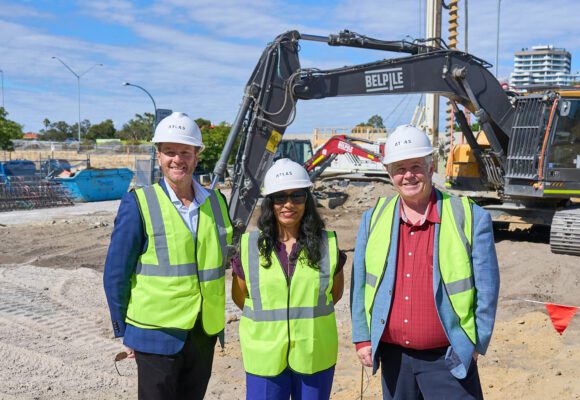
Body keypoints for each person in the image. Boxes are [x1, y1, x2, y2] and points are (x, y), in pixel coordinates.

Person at [350, 125, 500, 399]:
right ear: (390, 174)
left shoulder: (470, 217)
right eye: (399, 168)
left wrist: (477, 342)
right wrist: (362, 337)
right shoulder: (373, 219)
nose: (408, 175)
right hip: (395, 360)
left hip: (450, 358)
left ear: (431, 168)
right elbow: (360, 284)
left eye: (416, 166)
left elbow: (487, 287)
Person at [103, 112, 233, 400]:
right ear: (159, 156)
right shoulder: (139, 203)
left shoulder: (216, 202)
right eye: (170, 152)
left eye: (185, 152)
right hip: (155, 335)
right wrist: (125, 331)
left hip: (202, 332)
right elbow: (115, 273)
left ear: (197, 156)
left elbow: (226, 257)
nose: (178, 159)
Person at [231, 158, 346, 400]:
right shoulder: (250, 247)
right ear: (269, 203)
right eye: (280, 197)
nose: (288, 204)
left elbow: (333, 295)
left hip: (314, 354)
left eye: (297, 196)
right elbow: (240, 297)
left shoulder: (328, 245)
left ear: (307, 200)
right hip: (265, 357)